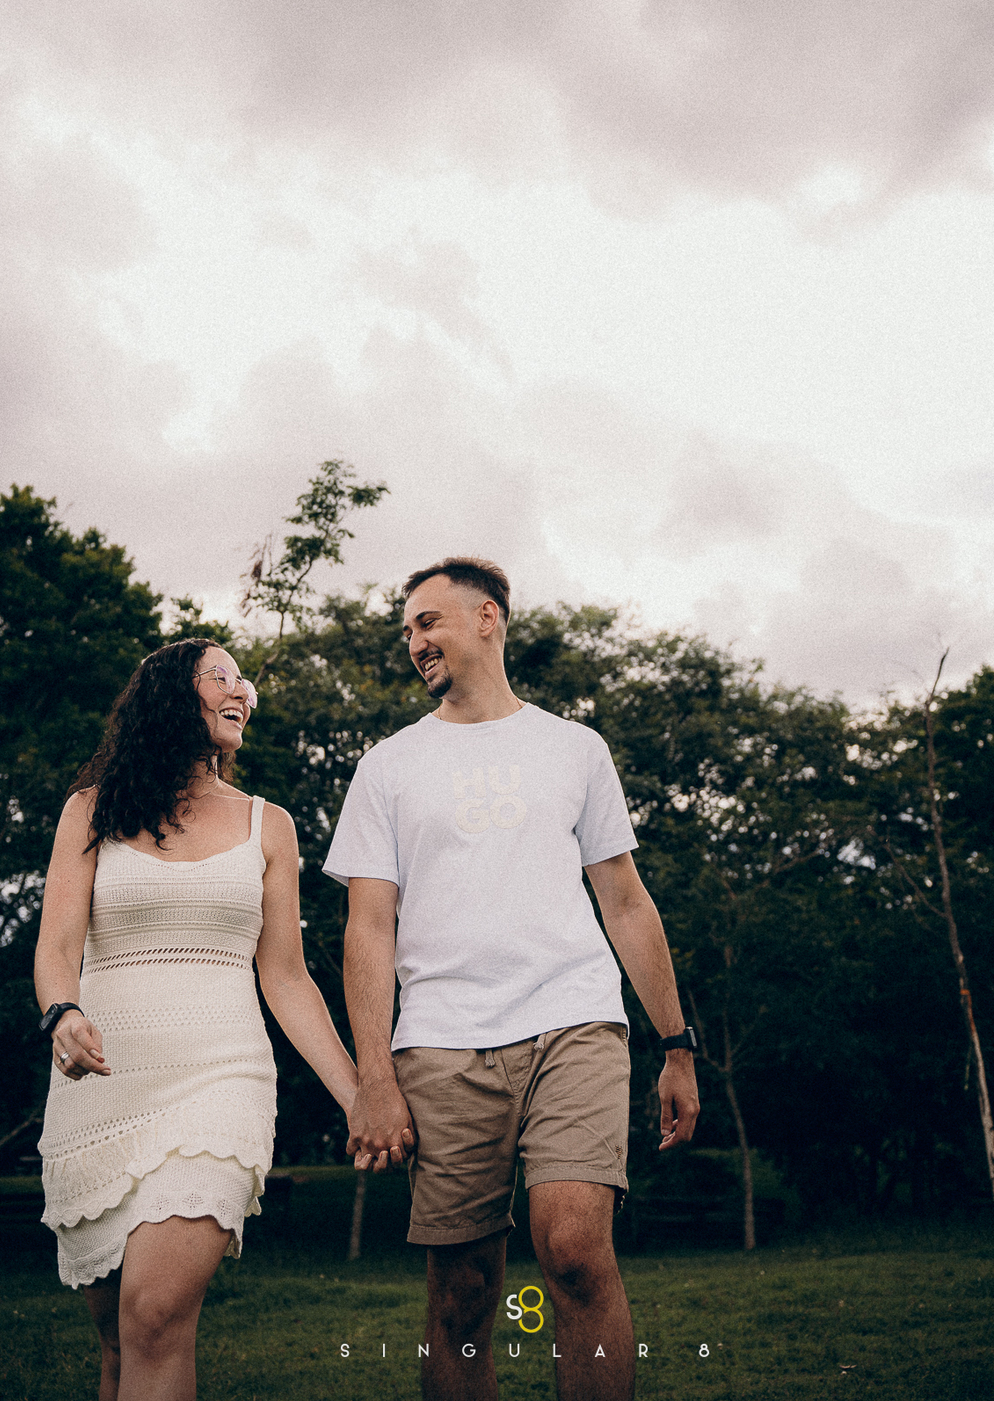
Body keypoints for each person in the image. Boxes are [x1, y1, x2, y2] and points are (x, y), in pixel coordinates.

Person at [324, 558, 699, 1401]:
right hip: (442, 1045)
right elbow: (367, 929)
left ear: (488, 617)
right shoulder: (388, 766)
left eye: (429, 621)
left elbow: (627, 904)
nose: (414, 640)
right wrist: (373, 1078)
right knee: (461, 1298)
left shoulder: (575, 747)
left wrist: (677, 1045)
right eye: (408, 629)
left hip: (575, 1020)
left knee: (573, 1252)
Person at [35, 638, 363, 1401]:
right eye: (222, 674)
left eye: (244, 679)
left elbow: (285, 977)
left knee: (155, 1313)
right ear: (167, 697)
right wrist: (64, 1012)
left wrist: (359, 1095)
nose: (242, 688)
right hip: (103, 1091)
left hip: (221, 1080)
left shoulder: (265, 824)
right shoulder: (92, 809)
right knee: (119, 1340)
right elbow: (56, 949)